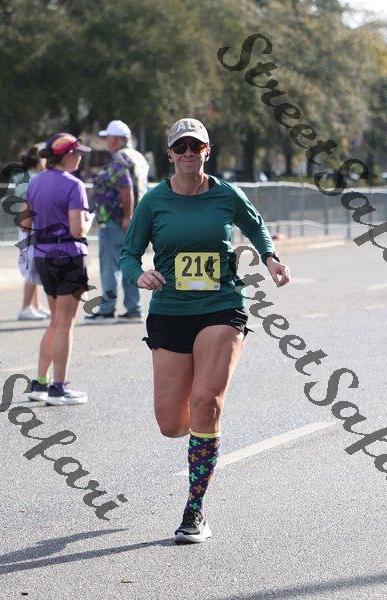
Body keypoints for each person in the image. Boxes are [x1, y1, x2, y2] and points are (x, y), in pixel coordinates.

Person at [120, 117, 290, 544]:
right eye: (181, 147)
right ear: (170, 154)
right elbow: (128, 254)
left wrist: (269, 257)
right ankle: (200, 432)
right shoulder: (154, 201)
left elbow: (256, 226)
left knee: (205, 402)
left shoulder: (226, 194)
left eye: (196, 147)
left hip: (222, 306)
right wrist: (139, 275)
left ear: (207, 152)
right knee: (170, 423)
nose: (188, 153)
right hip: (170, 312)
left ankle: (194, 510)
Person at [21, 133, 94, 406]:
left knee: (55, 322)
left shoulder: (35, 182)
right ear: (68, 155)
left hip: (43, 256)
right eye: (78, 152)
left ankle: (40, 382)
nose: (80, 157)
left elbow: (25, 223)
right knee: (65, 324)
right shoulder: (74, 185)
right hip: (69, 256)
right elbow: (77, 229)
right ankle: (58, 388)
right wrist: (87, 222)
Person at [85, 119, 148, 324]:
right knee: (130, 264)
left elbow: (125, 187)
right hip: (135, 221)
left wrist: (126, 216)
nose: (106, 141)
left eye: (108, 137)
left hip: (116, 221)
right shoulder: (138, 157)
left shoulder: (119, 159)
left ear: (116, 139)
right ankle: (134, 309)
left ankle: (107, 309)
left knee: (109, 267)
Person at [16, 145, 50, 321]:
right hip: (31, 228)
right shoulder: (35, 179)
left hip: (27, 228)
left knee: (34, 268)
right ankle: (26, 307)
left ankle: (35, 305)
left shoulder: (26, 177)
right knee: (32, 267)